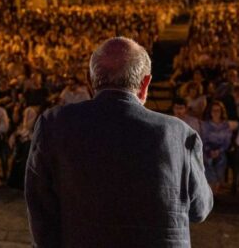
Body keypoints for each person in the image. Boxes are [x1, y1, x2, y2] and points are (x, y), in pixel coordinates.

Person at [25, 37, 213, 248]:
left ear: (90, 81)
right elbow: (201, 209)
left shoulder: (54, 124)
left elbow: (40, 210)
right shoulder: (181, 134)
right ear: (145, 84)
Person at [201, 101, 238, 195]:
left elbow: (227, 142)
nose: (216, 113)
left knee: (221, 160)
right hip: (207, 148)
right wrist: (210, 150)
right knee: (207, 160)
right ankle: (212, 186)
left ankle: (215, 188)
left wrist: (219, 150)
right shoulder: (205, 125)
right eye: (213, 110)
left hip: (221, 149)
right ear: (210, 112)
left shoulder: (226, 125)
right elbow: (204, 139)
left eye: (218, 110)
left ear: (222, 112)